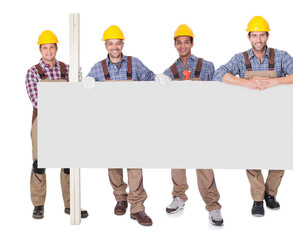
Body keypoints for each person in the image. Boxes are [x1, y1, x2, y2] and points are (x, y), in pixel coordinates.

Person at [213, 16, 293, 217]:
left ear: (267, 36)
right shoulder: (241, 59)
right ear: (249, 37)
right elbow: (219, 74)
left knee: (280, 156)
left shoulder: (281, 57)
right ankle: (258, 198)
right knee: (251, 157)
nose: (258, 39)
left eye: (262, 35)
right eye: (254, 35)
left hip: (278, 117)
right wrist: (245, 83)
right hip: (249, 118)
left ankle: (270, 194)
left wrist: (276, 82)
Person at [85, 25, 155, 226]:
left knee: (135, 166)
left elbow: (152, 81)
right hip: (109, 125)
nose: (114, 47)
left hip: (134, 123)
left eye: (117, 43)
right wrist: (86, 82)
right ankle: (120, 199)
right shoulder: (97, 68)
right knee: (114, 165)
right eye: (110, 44)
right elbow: (86, 97)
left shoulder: (135, 64)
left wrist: (158, 78)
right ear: (105, 45)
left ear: (122, 44)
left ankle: (138, 207)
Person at [161, 24, 223, 226]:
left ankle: (213, 206)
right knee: (177, 163)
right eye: (178, 42)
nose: (182, 46)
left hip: (201, 123)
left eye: (186, 42)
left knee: (204, 166)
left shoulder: (207, 66)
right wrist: (159, 81)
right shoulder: (170, 71)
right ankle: (179, 197)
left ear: (192, 43)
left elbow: (215, 95)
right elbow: (162, 97)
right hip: (179, 123)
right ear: (174, 45)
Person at [26, 30, 88, 219]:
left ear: (56, 48)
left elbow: (76, 94)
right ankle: (38, 204)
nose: (48, 51)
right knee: (39, 164)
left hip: (66, 122)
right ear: (40, 49)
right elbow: (36, 99)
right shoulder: (33, 72)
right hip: (42, 121)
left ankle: (71, 204)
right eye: (45, 48)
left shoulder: (67, 69)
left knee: (69, 163)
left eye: (51, 47)